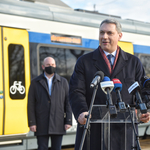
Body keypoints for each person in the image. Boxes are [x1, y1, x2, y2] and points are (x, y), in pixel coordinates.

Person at [69, 19, 150, 150]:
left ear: (119, 35)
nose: (104, 37)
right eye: (101, 33)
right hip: (93, 131)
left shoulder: (133, 62)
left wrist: (142, 112)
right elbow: (75, 91)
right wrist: (82, 112)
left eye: (109, 33)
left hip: (124, 133)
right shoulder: (84, 61)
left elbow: (142, 91)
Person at [28, 57, 72, 150]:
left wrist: (68, 121)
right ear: (43, 66)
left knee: (57, 148)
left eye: (52, 65)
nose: (50, 66)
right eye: (48, 65)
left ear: (55, 66)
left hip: (58, 122)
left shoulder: (63, 82)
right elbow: (30, 104)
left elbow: (68, 102)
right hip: (41, 123)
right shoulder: (35, 82)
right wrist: (32, 123)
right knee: (42, 148)